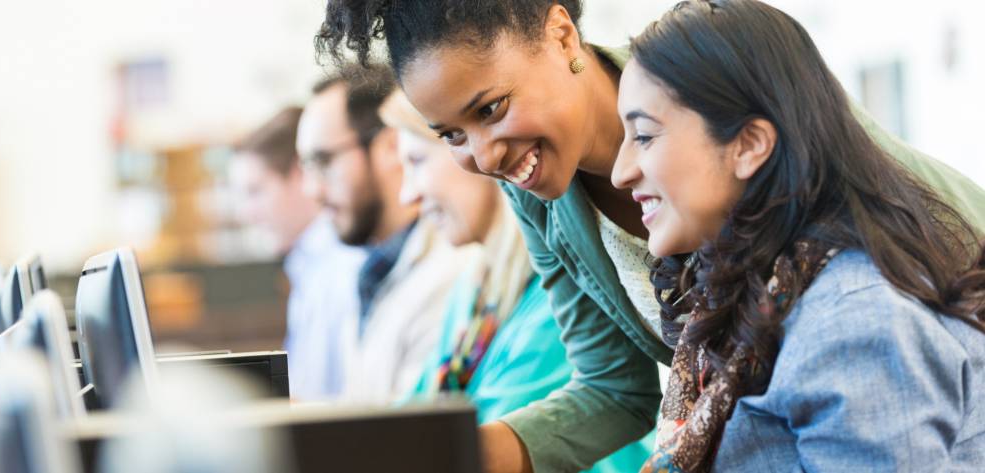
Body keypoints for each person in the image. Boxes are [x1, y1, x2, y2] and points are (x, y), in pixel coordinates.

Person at [315, 1, 985, 471]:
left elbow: (925, 238)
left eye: (490, 109)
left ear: (562, 36)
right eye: (452, 136)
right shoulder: (539, 191)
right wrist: (461, 454)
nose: (485, 157)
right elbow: (616, 387)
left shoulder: (717, 86)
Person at [609, 1, 985, 471]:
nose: (621, 172)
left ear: (748, 145)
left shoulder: (852, 321)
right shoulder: (765, 292)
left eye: (643, 136)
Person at [380, 89, 655, 472]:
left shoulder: (555, 300)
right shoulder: (474, 293)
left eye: (417, 161)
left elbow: (467, 443)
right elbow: (409, 422)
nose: (408, 193)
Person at [296, 64, 469, 404]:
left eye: (324, 161)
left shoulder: (452, 271)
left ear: (390, 147)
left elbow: (416, 432)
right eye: (306, 166)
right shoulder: (372, 269)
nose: (312, 189)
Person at [228, 107, 366, 401]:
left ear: (299, 174)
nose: (245, 213)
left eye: (254, 191)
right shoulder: (308, 264)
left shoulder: (343, 265)